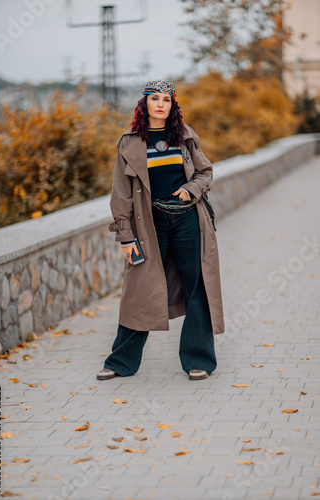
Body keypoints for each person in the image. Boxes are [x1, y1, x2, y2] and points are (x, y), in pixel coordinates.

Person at [97, 80, 224, 381]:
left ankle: (198, 360)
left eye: (166, 100)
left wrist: (189, 190)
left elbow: (206, 172)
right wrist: (125, 236)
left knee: (196, 287)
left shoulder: (185, 136)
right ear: (145, 104)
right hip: (148, 225)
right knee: (138, 290)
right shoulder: (129, 142)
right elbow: (120, 194)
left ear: (172, 106)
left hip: (187, 221)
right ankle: (120, 363)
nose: (160, 104)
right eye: (155, 98)